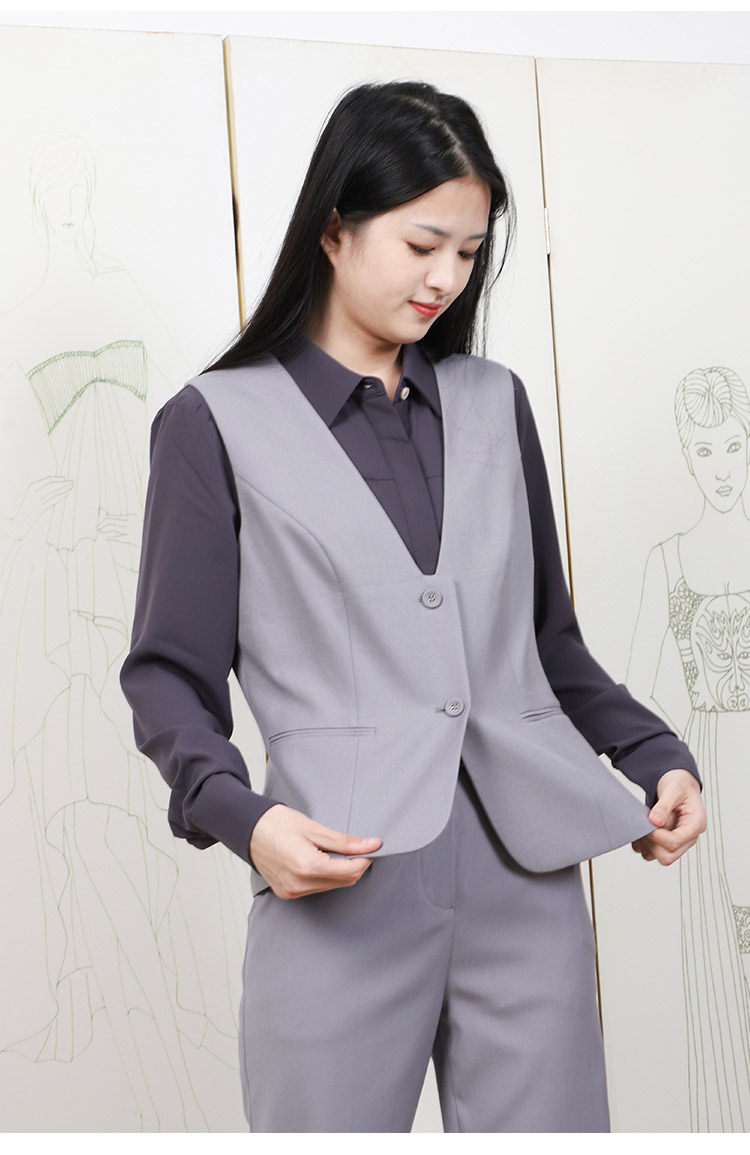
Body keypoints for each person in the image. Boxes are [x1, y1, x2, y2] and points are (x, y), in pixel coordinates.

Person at [119, 80, 707, 1133]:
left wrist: (658, 754)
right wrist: (247, 822)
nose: (447, 278)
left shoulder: (494, 404)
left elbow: (544, 642)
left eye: (470, 252)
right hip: (337, 878)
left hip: (526, 877)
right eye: (423, 244)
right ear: (334, 228)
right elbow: (168, 675)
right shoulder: (213, 422)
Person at [627, 366, 750, 1130]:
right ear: (686, 453)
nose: (722, 467)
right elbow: (632, 688)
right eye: (705, 451)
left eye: (733, 445)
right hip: (711, 776)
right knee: (726, 977)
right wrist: (678, 746)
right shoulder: (668, 560)